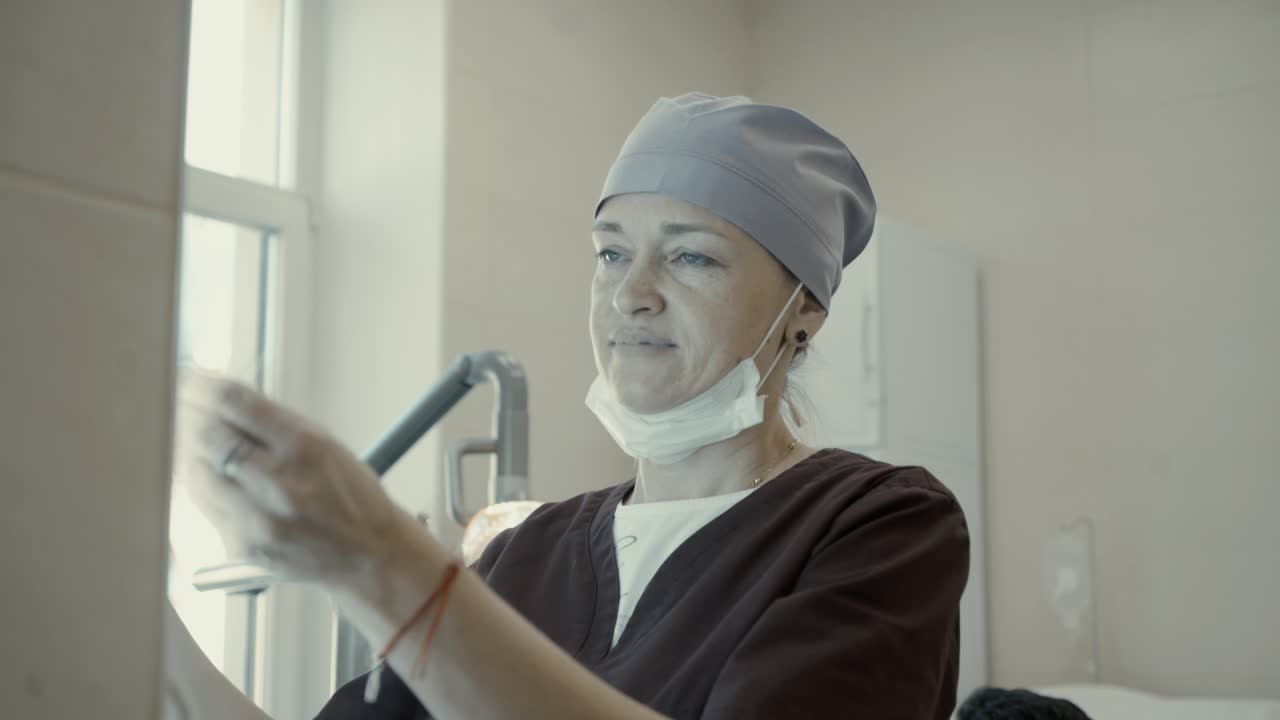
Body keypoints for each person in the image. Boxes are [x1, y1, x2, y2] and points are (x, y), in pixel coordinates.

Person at [175, 93, 970, 720]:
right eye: (612, 253)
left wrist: (381, 560)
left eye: (690, 256)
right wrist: (142, 620)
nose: (632, 294)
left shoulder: (879, 525)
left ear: (804, 310)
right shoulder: (529, 554)